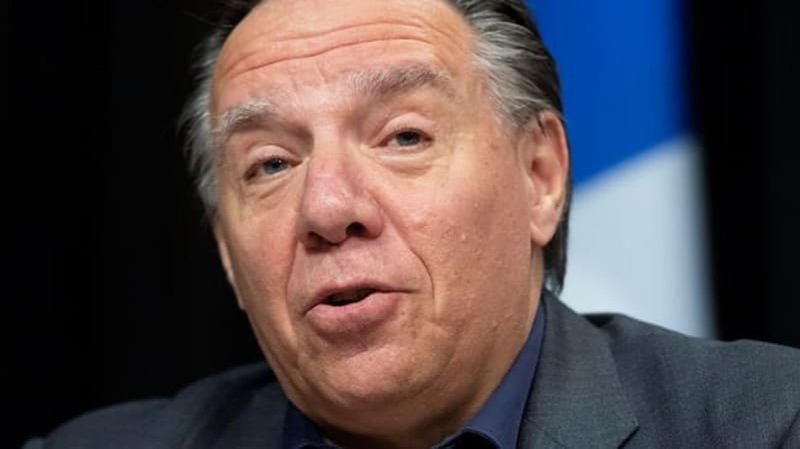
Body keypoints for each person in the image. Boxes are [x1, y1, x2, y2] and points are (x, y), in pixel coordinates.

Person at [24, 0, 800, 448]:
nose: (328, 209)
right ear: (226, 251)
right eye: (271, 163)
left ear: (539, 176)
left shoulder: (765, 424)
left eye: (403, 137)